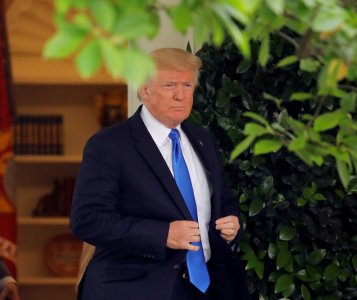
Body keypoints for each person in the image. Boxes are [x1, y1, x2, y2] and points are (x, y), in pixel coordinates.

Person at [71, 48, 249, 300]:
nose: (180, 95)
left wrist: (231, 223)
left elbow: (223, 202)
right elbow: (87, 220)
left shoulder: (202, 140)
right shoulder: (109, 145)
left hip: (206, 288)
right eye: (169, 85)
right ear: (145, 90)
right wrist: (162, 235)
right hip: (135, 289)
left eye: (187, 85)